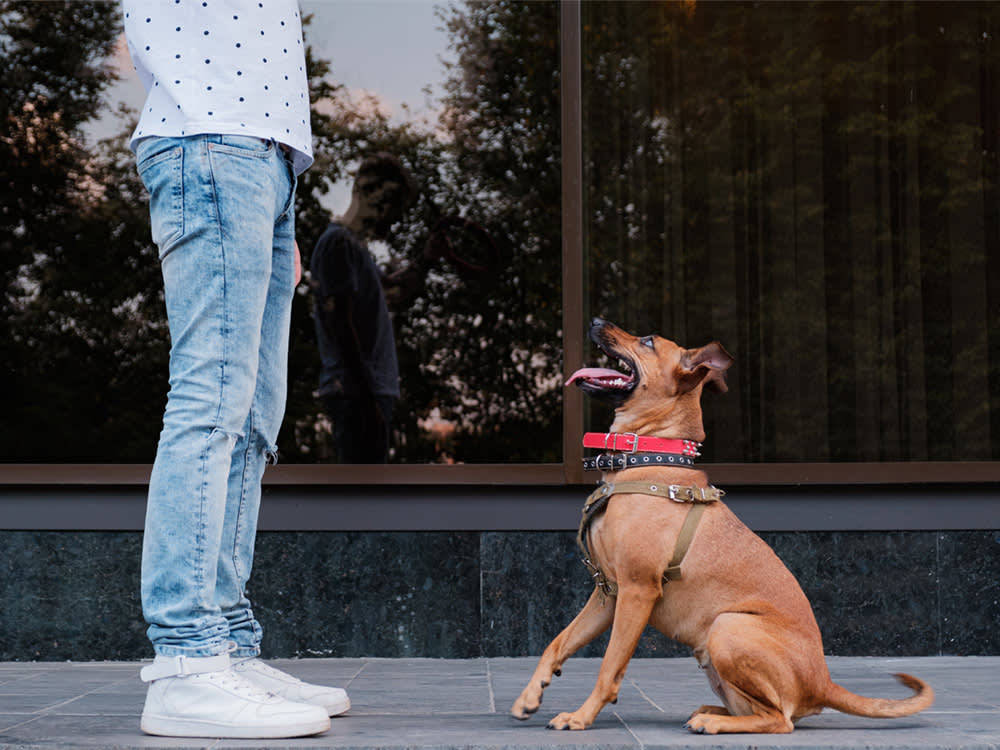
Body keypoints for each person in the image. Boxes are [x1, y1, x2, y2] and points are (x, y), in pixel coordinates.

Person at [122, 1, 346, 739]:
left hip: (265, 159)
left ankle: (223, 644)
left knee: (252, 420)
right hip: (208, 141)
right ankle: (185, 666)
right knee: (211, 404)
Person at [311, 153, 415, 463]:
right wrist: (368, 397)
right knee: (361, 495)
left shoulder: (354, 248)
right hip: (356, 395)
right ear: (367, 190)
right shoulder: (339, 244)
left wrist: (426, 260)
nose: (394, 216)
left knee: (367, 494)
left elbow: (394, 294)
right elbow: (341, 324)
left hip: (364, 392)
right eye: (391, 201)